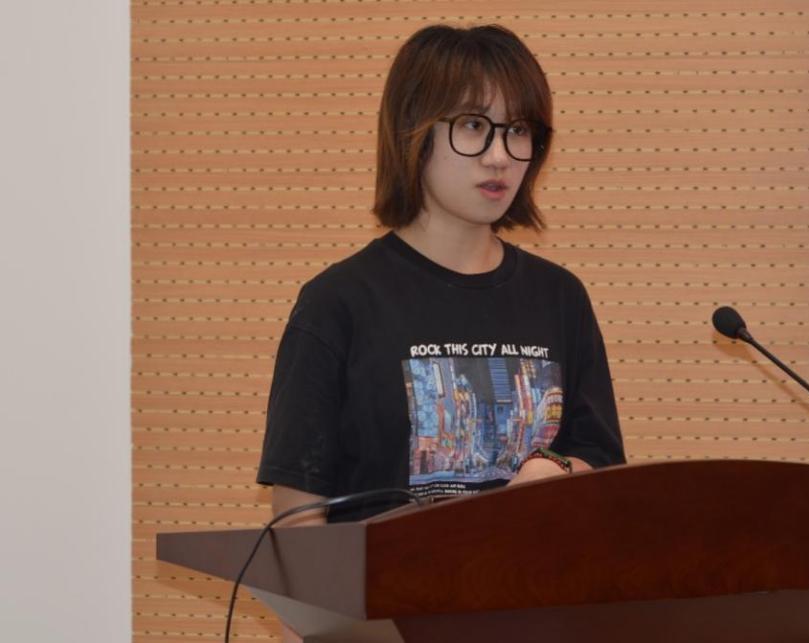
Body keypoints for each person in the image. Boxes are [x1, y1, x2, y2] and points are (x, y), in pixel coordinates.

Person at [256, 23, 625, 532]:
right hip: (382, 586)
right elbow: (297, 523)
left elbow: (604, 470)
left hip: (537, 583)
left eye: (518, 130)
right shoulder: (338, 302)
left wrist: (555, 468)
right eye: (473, 125)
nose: (499, 155)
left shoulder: (560, 297)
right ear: (414, 130)